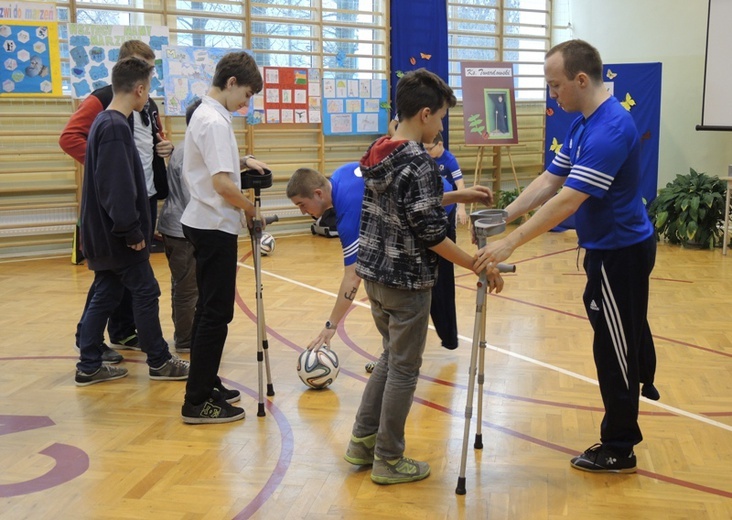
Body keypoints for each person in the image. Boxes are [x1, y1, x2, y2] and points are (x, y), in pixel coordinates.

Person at [473, 39, 659, 474]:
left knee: (613, 349)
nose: (552, 95)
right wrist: (506, 213)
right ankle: (643, 376)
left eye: (555, 85)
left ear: (580, 79)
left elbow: (567, 202)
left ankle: (619, 446)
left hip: (621, 254)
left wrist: (510, 242)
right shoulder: (583, 125)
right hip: (604, 251)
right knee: (618, 336)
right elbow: (549, 181)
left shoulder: (611, 129)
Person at [343, 68, 503, 485]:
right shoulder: (419, 161)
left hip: (375, 276)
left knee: (388, 359)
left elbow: (408, 202)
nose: (442, 125)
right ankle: (389, 459)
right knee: (404, 369)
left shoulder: (381, 150)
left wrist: (456, 195)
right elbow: (431, 233)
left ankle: (362, 440)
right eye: (443, 117)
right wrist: (475, 263)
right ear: (427, 114)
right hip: (406, 282)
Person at [286, 165, 493, 356]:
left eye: (302, 205)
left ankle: (416, 351)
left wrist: (330, 326)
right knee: (384, 282)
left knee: (434, 285)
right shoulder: (340, 174)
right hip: (432, 192)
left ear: (318, 193)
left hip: (437, 205)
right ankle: (392, 355)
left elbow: (352, 277)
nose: (303, 211)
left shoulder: (349, 214)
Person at [74, 57, 190, 386]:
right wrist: (131, 230)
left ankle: (88, 364)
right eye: (148, 90)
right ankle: (159, 360)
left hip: (106, 232)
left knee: (108, 292)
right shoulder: (114, 126)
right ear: (139, 89)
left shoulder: (106, 122)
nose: (147, 96)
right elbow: (116, 186)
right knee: (145, 290)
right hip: (117, 233)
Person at [60, 39, 174, 364]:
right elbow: (71, 139)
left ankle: (112, 339)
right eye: (145, 76)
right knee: (130, 281)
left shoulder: (145, 107)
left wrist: (162, 148)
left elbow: (151, 141)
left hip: (140, 196)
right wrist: (105, 171)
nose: (148, 85)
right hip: (118, 205)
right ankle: (144, 355)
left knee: (115, 280)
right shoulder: (106, 108)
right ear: (130, 75)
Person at [179, 51, 268, 424]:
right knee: (217, 314)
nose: (246, 104)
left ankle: (205, 379)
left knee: (208, 312)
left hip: (204, 221)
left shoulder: (207, 112)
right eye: (246, 96)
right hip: (214, 225)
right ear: (231, 83)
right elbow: (220, 182)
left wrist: (241, 160)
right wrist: (252, 209)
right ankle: (196, 401)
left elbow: (216, 165)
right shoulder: (214, 122)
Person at [157, 99, 202, 355]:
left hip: (179, 228)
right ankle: (185, 339)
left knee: (184, 286)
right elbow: (191, 197)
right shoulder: (188, 153)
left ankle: (186, 335)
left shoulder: (187, 148)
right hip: (182, 231)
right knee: (186, 289)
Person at [426, 131, 467, 351]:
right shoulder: (424, 160)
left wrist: (461, 207)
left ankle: (448, 334)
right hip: (430, 214)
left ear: (440, 144)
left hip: (446, 214)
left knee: (444, 263)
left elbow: (460, 185)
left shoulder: (448, 159)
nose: (428, 153)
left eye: (430, 148)